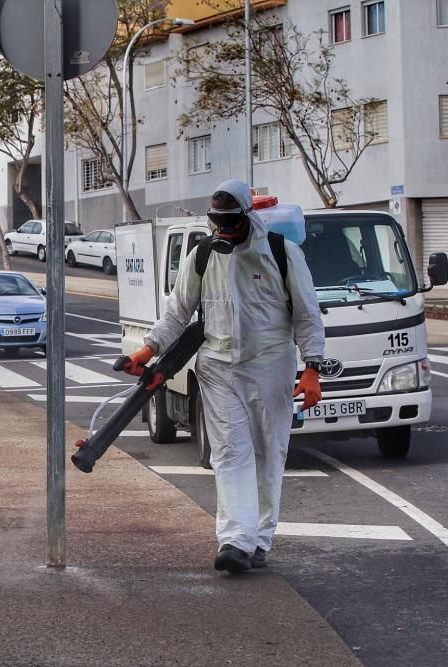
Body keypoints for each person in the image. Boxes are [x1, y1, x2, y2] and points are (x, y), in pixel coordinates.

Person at [123, 179, 324, 573]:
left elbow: (307, 315)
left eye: (231, 222)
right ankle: (234, 540)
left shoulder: (283, 254)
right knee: (230, 453)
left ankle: (260, 538)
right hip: (217, 367)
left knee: (268, 452)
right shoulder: (202, 255)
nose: (224, 231)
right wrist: (148, 350)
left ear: (248, 216)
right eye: (218, 223)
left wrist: (312, 367)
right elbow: (177, 312)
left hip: (270, 365)